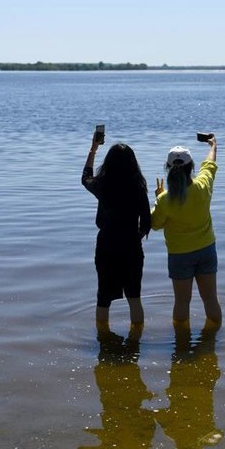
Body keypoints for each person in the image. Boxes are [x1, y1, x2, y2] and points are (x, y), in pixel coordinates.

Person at [151, 135, 222, 328]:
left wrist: (158, 197)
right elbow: (209, 164)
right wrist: (213, 145)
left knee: (182, 302)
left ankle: (181, 342)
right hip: (206, 250)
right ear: (191, 167)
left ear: (168, 168)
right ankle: (213, 339)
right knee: (210, 299)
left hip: (179, 255)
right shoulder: (203, 186)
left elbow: (155, 224)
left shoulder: (165, 200)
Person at [82, 131, 151, 330]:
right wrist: (135, 238)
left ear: (108, 164)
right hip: (131, 248)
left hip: (106, 247)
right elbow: (146, 222)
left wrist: (93, 149)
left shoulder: (102, 185)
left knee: (103, 297)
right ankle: (136, 341)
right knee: (134, 297)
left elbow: (85, 178)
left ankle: (103, 341)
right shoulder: (138, 187)